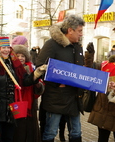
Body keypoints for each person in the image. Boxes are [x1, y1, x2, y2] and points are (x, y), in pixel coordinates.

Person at [0, 37, 46, 142]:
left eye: (7, 47)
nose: (6, 50)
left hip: (10, 110)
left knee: (9, 138)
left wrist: (36, 74)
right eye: (2, 48)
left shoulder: (12, 63)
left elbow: (24, 80)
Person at [36, 14, 85, 142]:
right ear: (70, 30)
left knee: (76, 131)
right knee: (51, 131)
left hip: (74, 97)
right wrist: (58, 82)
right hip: (56, 98)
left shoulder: (77, 46)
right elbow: (40, 67)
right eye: (79, 31)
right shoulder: (52, 44)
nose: (81, 34)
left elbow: (81, 69)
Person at [12, 45, 44, 142]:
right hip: (16, 102)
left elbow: (39, 83)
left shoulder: (31, 67)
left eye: (23, 56)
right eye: (18, 56)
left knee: (30, 129)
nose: (20, 58)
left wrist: (38, 85)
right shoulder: (11, 68)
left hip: (30, 103)